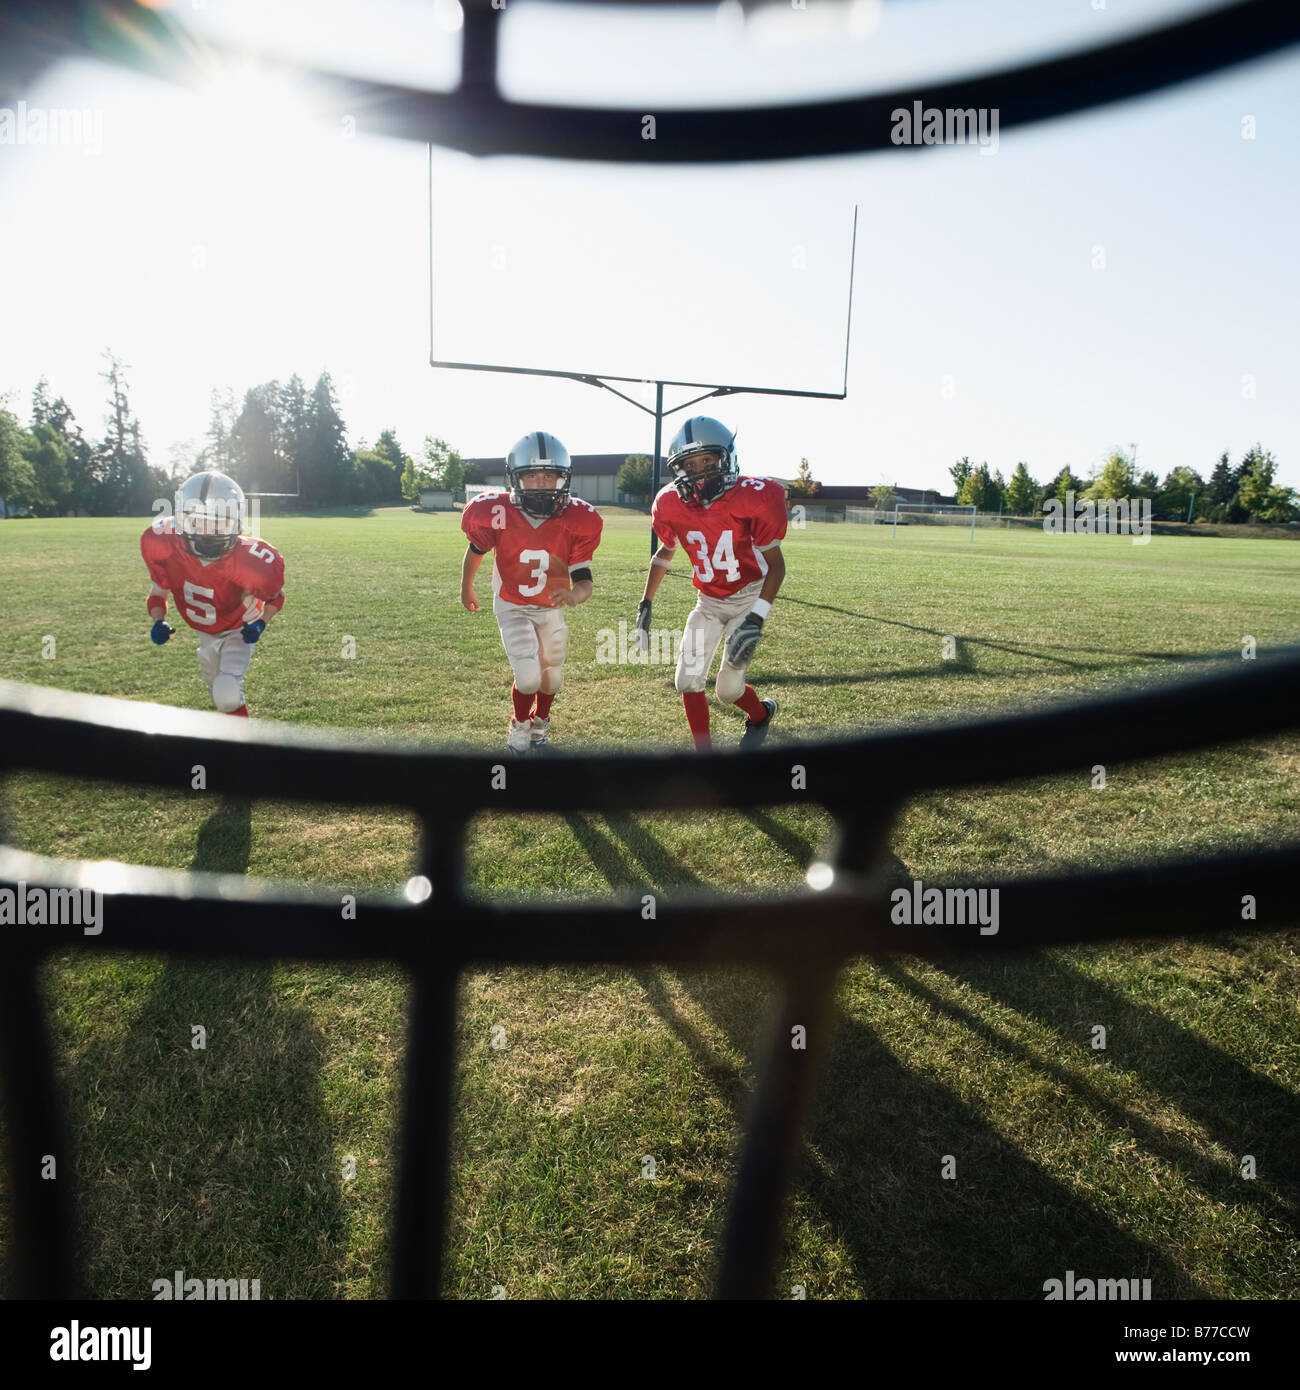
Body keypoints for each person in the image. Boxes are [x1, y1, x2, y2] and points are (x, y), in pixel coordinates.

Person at [635, 415, 786, 750]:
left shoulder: (754, 497)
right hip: (708, 601)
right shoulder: (671, 503)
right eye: (690, 464)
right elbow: (664, 553)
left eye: (708, 460)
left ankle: (761, 714)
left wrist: (757, 618)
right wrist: (646, 603)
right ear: (679, 470)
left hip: (749, 598)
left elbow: (777, 567)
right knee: (687, 680)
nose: (700, 471)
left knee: (728, 690)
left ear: (726, 459)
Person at [460, 431, 603, 755]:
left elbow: (584, 578)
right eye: (532, 476)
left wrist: (576, 595)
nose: (541, 483)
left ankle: (541, 723)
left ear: (563, 479)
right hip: (512, 605)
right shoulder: (495, 513)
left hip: (549, 608)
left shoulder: (577, 519)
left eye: (549, 475)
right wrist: (466, 586)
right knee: (527, 676)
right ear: (516, 479)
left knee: (551, 678)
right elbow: (475, 550)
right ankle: (519, 725)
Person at [141, 471, 285, 717]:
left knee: (226, 693)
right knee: (220, 698)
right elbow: (158, 593)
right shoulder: (162, 543)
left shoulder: (251, 561)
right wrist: (158, 620)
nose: (207, 532)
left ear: (236, 522)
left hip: (239, 628)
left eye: (218, 521)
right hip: (205, 635)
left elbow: (276, 597)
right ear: (181, 519)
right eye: (197, 520)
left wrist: (260, 623)